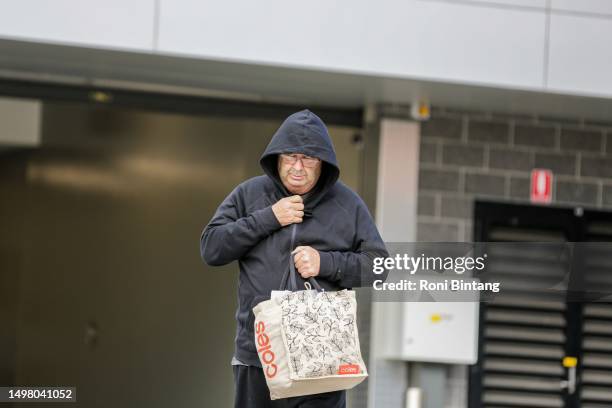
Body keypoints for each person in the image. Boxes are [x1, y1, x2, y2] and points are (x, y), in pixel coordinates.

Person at [200, 109, 388, 408]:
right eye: (290, 157)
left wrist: (327, 263)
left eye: (309, 158)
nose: (298, 167)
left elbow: (379, 267)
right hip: (259, 358)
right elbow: (211, 248)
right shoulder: (250, 195)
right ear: (276, 158)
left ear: (323, 163)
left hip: (323, 362)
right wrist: (267, 218)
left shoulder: (347, 204)